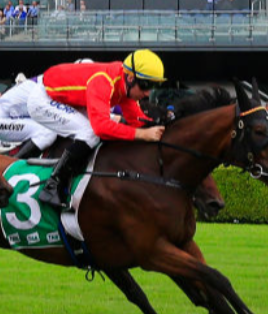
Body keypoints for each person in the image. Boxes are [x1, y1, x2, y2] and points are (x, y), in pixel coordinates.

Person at [27, 49, 167, 207]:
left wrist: (163, 125)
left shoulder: (124, 85)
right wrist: (141, 134)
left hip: (69, 99)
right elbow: (102, 127)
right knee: (90, 133)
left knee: (95, 131)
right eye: (145, 85)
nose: (148, 93)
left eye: (153, 86)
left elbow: (137, 121)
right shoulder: (104, 81)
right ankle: (52, 186)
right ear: (130, 77)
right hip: (44, 98)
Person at [0, 76, 58, 158]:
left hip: (9, 116)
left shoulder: (51, 81)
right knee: (47, 132)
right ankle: (12, 166)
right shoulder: (51, 85)